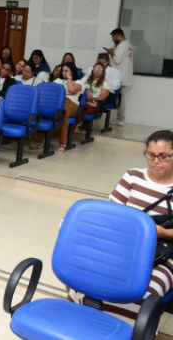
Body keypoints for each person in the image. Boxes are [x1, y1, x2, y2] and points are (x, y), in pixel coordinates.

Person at [69, 130, 173, 326]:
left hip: (163, 252)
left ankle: (130, 331)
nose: (156, 161)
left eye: (164, 156)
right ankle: (85, 326)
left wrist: (162, 233)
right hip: (123, 245)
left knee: (141, 292)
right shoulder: (133, 176)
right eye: (151, 155)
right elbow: (112, 215)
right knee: (82, 276)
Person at [30, 63, 82, 153]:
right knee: (41, 111)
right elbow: (50, 91)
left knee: (62, 113)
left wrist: (69, 78)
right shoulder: (58, 80)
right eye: (63, 71)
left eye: (66, 71)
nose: (64, 72)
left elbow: (72, 90)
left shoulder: (78, 82)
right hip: (56, 101)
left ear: (72, 72)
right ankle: (37, 140)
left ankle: (62, 142)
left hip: (71, 102)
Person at [107, 28, 133, 126]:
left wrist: (110, 52)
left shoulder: (122, 45)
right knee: (121, 97)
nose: (113, 40)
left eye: (113, 37)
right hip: (125, 75)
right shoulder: (129, 45)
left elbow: (117, 60)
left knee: (119, 98)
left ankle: (121, 119)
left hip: (120, 76)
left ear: (117, 36)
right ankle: (120, 118)